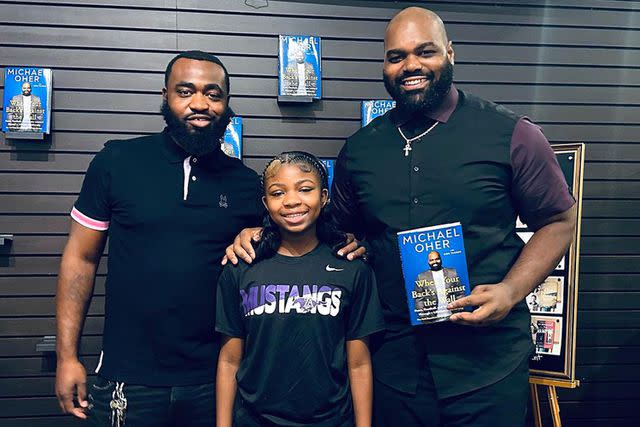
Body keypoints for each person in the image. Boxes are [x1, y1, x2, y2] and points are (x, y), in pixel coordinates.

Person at [228, 6, 576, 427]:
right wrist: (260, 232)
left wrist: (509, 291)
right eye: (396, 56)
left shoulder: (512, 134)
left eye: (424, 51)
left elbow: (559, 220)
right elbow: (333, 227)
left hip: (487, 365)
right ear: (385, 65)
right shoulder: (360, 149)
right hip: (393, 365)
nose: (410, 65)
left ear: (450, 53)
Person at [55, 50, 264, 426]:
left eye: (213, 94)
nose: (199, 103)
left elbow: (287, 254)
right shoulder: (117, 161)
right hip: (127, 377)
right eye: (185, 91)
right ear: (165, 96)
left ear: (227, 105)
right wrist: (66, 357)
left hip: (216, 378)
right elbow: (80, 259)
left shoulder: (248, 184)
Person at [216, 152, 384, 427]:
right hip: (255, 420)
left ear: (325, 196)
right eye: (277, 192)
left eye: (305, 189)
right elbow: (230, 360)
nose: (292, 200)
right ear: (265, 203)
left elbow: (359, 364)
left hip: (331, 420)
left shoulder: (353, 269)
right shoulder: (241, 267)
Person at [414, 251, 460, 318]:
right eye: (431, 260)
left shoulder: (452, 272)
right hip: (432, 317)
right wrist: (423, 315)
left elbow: (460, 293)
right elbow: (419, 299)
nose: (435, 262)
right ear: (428, 261)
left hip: (453, 315)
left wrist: (460, 310)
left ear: (441, 259)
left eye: (437, 259)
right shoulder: (421, 277)